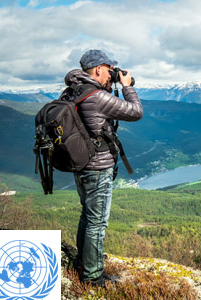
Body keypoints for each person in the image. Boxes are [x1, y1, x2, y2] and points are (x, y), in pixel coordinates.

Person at [59, 49, 143, 286]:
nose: (112, 74)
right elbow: (136, 112)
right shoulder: (96, 96)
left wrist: (112, 83)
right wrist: (127, 86)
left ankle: (82, 264)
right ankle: (93, 276)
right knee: (97, 223)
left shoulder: (72, 91)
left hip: (80, 165)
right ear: (98, 69)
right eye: (109, 70)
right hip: (97, 168)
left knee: (87, 216)